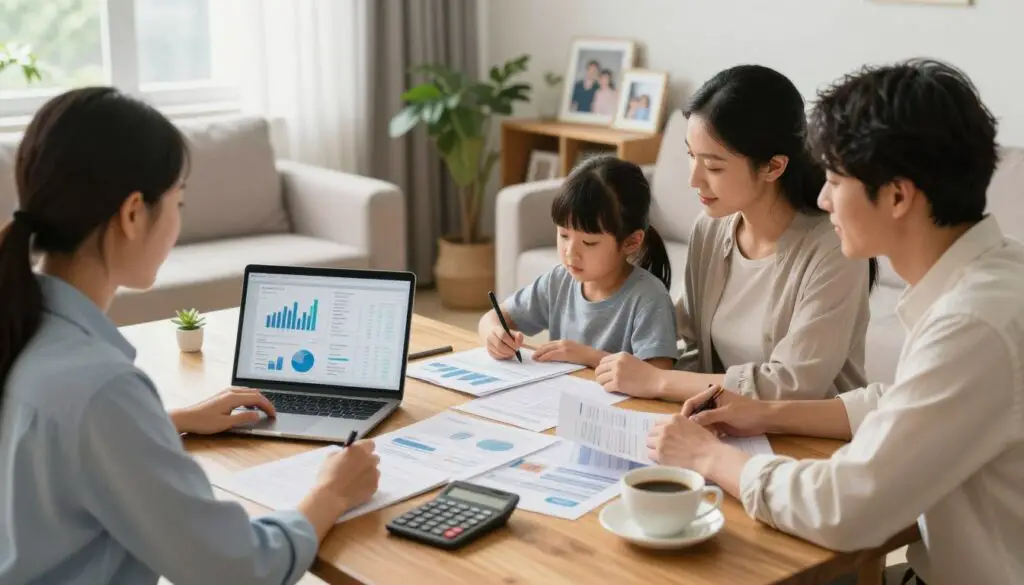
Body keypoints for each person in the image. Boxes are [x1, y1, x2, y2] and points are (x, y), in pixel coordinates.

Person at [647, 60, 1022, 585]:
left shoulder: (972, 324)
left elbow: (844, 509)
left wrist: (709, 457)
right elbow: (898, 400)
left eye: (835, 180)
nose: (822, 199)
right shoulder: (992, 279)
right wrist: (766, 413)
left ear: (897, 195)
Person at [0, 87, 381, 585]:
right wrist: (332, 492)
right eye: (178, 201)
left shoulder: (25, 331)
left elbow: (46, 449)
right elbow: (235, 569)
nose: (178, 224)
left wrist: (168, 420)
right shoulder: (99, 388)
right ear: (133, 214)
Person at [596, 65, 875, 402]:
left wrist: (658, 382)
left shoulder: (832, 247)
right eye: (690, 156)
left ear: (774, 166)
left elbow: (794, 383)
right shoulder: (711, 228)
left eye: (714, 166)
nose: (694, 180)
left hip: (809, 438)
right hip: (723, 423)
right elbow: (687, 342)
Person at [478, 155, 678, 369]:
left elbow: (659, 372)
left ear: (631, 242)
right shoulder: (558, 281)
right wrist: (494, 334)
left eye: (589, 243)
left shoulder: (649, 299)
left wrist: (586, 356)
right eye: (564, 235)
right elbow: (494, 317)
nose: (571, 252)